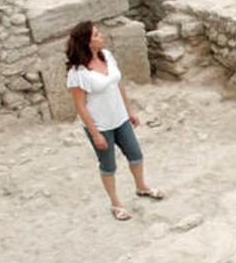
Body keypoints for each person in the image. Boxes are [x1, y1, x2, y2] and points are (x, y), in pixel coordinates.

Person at [66, 21, 164, 221]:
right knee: (108, 165)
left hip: (119, 118)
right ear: (86, 42)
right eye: (96, 35)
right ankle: (115, 203)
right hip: (100, 125)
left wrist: (129, 111)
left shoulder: (107, 56)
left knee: (135, 154)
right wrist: (95, 134)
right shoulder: (78, 73)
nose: (101, 36)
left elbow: (117, 85)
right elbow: (80, 106)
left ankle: (141, 187)